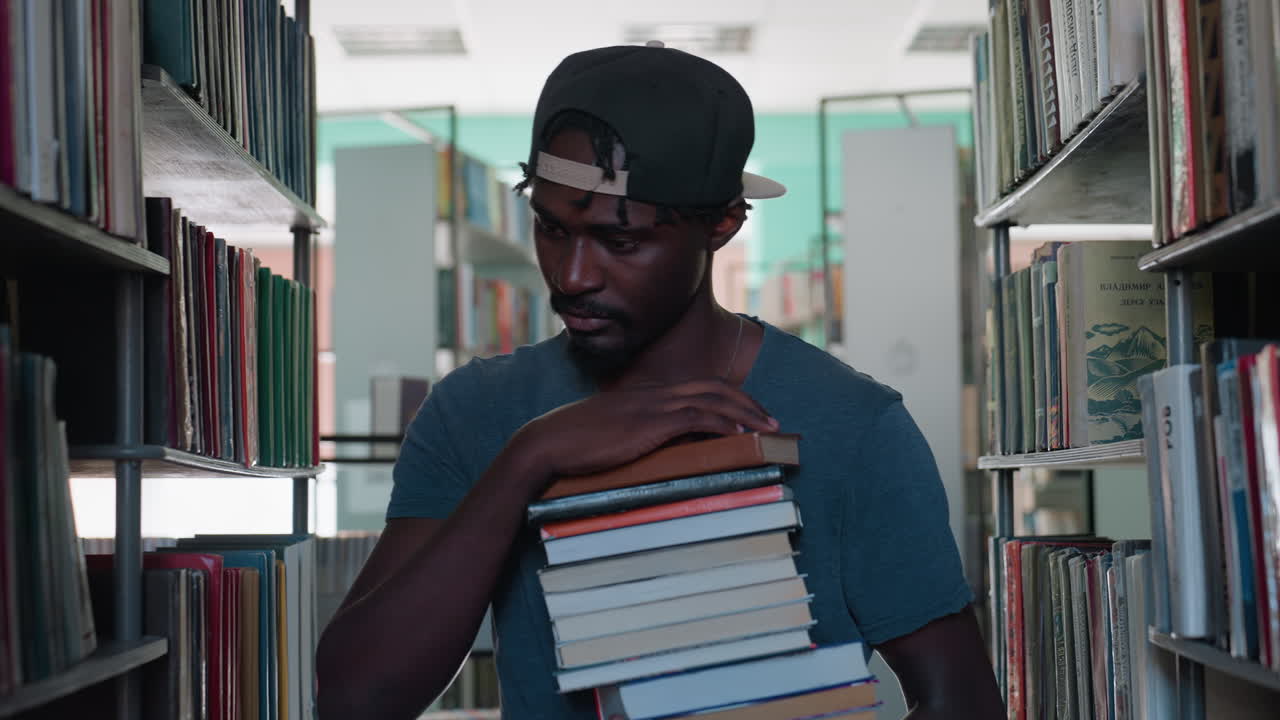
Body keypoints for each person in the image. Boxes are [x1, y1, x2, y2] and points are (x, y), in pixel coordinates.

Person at [315, 42, 1004, 720]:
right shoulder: (475, 410)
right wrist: (530, 458)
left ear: (723, 224)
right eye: (551, 228)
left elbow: (962, 701)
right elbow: (354, 700)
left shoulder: (854, 425)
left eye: (620, 242)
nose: (572, 276)